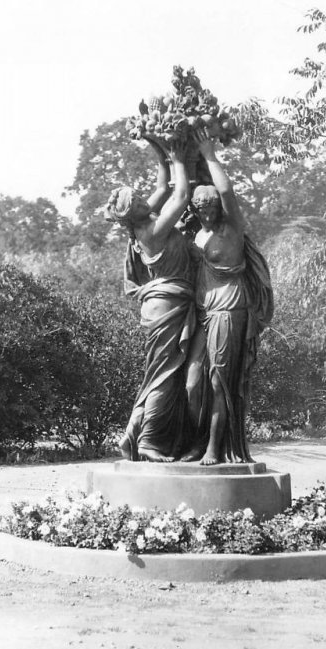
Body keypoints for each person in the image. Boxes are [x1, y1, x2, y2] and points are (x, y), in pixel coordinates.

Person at [183, 130, 273, 465]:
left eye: (210, 208)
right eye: (200, 209)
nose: (206, 214)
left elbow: (226, 190)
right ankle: (196, 441)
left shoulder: (231, 229)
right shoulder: (199, 235)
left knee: (219, 383)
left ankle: (213, 449)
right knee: (192, 385)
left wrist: (209, 154)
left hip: (229, 311)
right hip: (204, 315)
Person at [105, 139, 195, 462]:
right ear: (136, 210)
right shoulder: (153, 229)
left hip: (158, 306)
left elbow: (162, 186)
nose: (146, 197)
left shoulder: (140, 223)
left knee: (157, 373)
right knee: (164, 375)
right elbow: (182, 195)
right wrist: (179, 156)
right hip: (167, 307)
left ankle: (133, 434)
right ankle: (149, 442)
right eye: (140, 199)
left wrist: (160, 152)